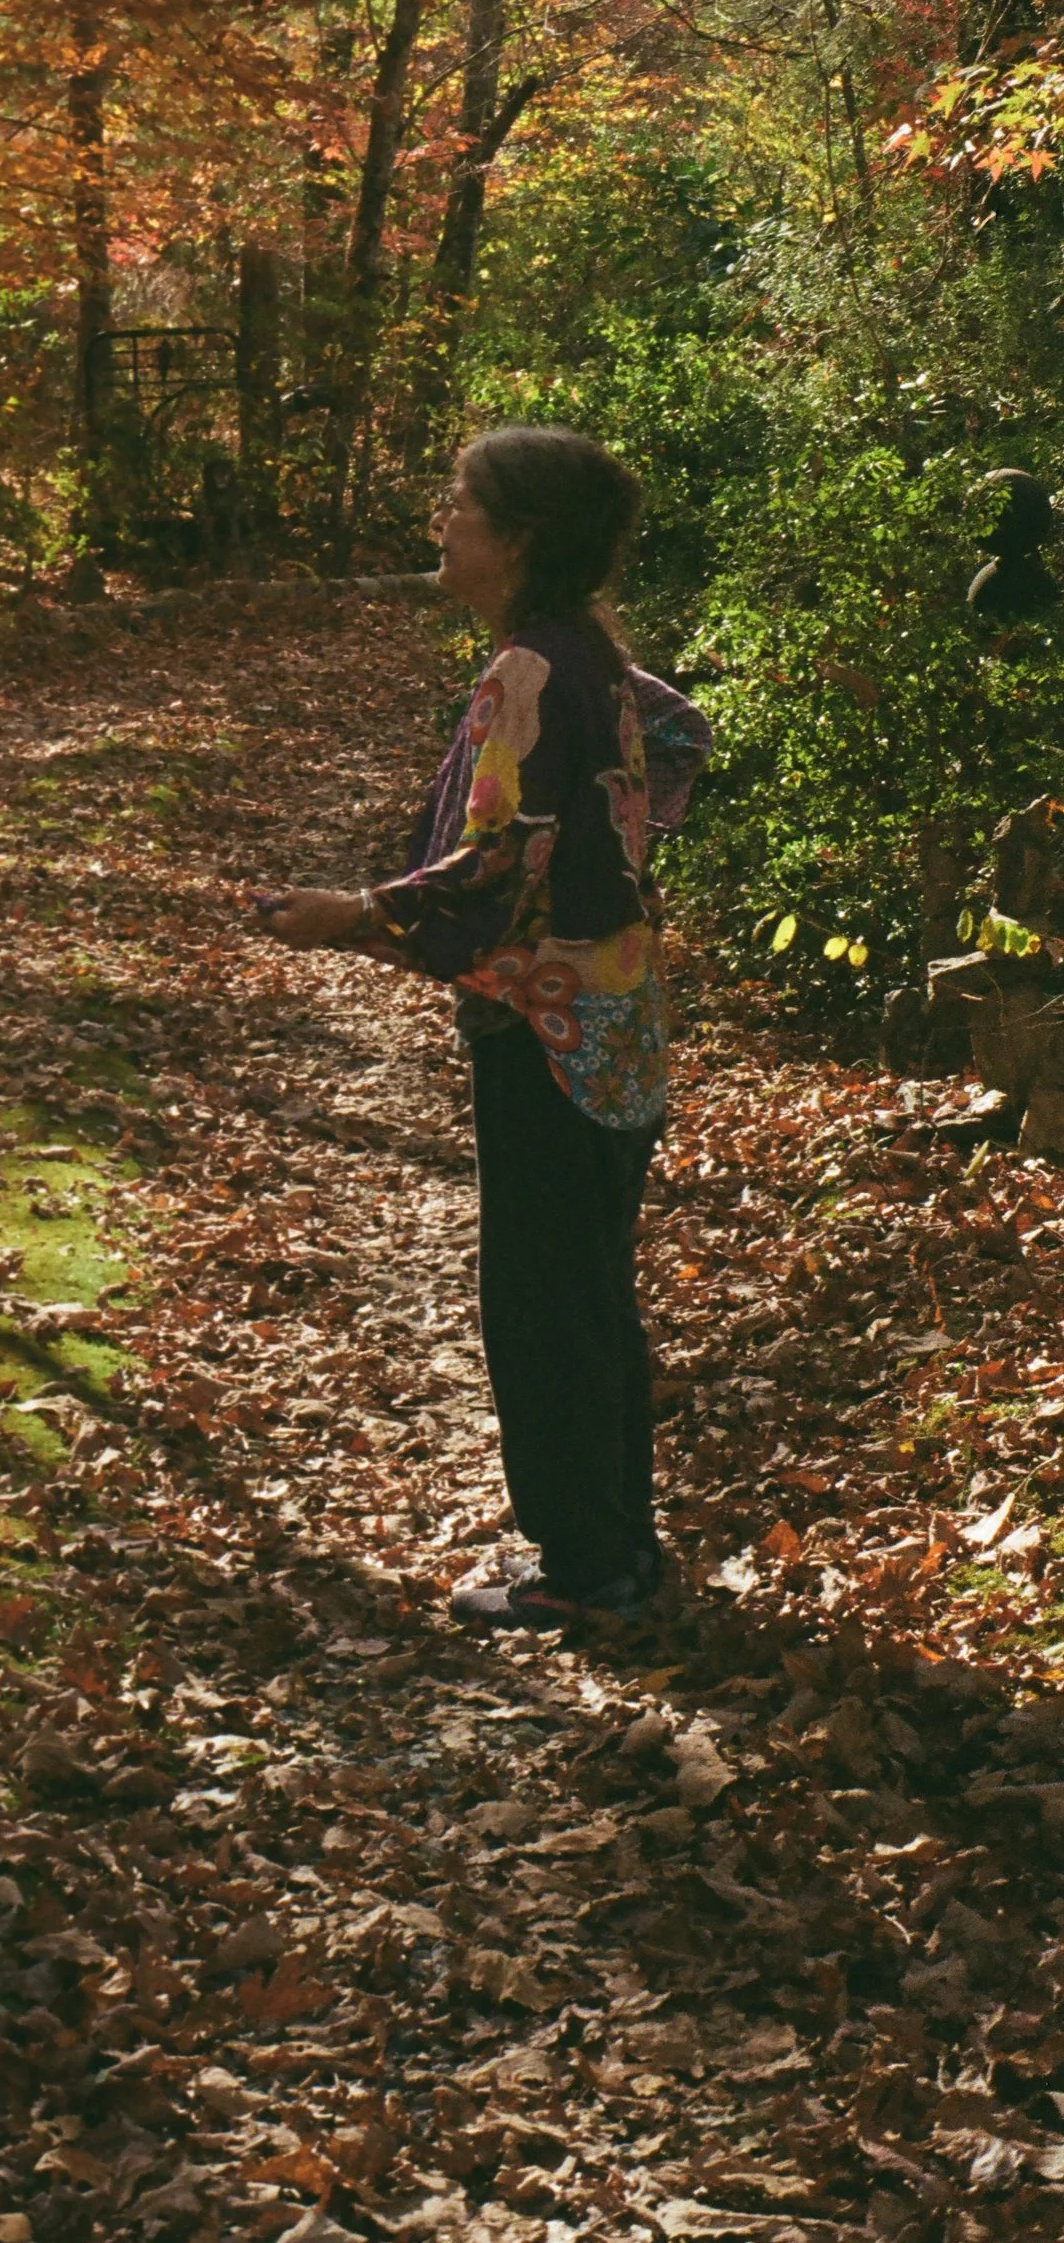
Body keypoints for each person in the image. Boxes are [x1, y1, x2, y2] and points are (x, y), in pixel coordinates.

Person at [246, 426, 711, 1630]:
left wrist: (352, 915)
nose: (440, 520)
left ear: (516, 538)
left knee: (544, 1295)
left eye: (459, 503)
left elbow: (502, 861)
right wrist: (619, 868)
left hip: (547, 1027)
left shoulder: (527, 674)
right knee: (589, 1284)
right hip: (615, 1010)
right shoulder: (591, 656)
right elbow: (675, 736)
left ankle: (585, 1570)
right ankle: (617, 1546)